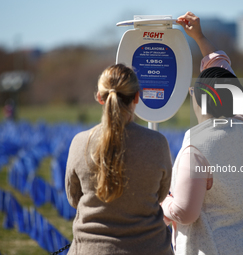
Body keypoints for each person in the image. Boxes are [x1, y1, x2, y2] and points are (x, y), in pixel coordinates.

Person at [161, 12, 243, 255]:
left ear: (198, 100)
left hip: (212, 247)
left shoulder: (196, 147)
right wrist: (200, 36)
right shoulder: (242, 124)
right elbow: (222, 70)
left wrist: (161, 200)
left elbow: (185, 212)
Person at [65, 64, 173, 255]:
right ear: (137, 97)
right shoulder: (157, 143)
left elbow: (74, 198)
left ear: (99, 97)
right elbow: (161, 195)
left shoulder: (79, 142)